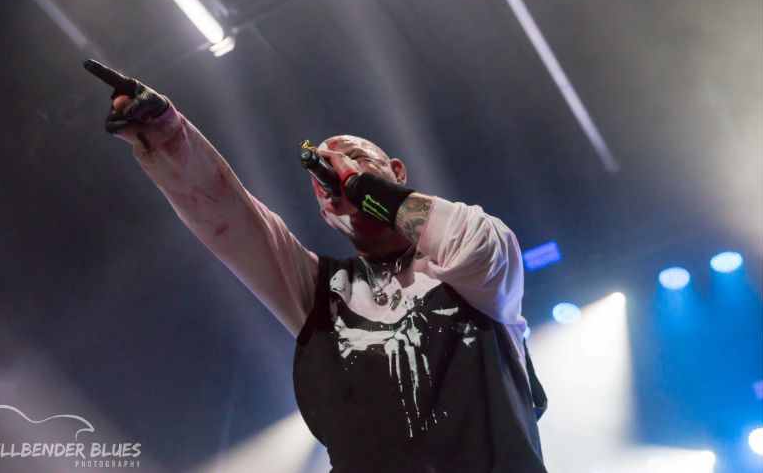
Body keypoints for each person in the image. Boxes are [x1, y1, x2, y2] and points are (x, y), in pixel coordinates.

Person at [84, 60, 548, 473]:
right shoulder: (319, 290)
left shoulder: (474, 270)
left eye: (356, 160)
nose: (336, 179)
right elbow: (232, 217)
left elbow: (476, 243)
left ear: (397, 171)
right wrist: (166, 134)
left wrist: (363, 186)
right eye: (325, 182)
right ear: (326, 213)